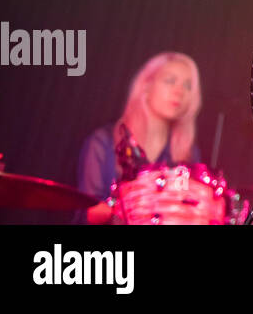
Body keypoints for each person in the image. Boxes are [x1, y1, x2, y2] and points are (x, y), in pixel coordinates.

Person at [76, 51, 202, 224]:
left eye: (188, 85)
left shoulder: (188, 155)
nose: (179, 91)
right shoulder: (103, 142)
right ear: (146, 86)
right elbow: (87, 213)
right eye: (170, 81)